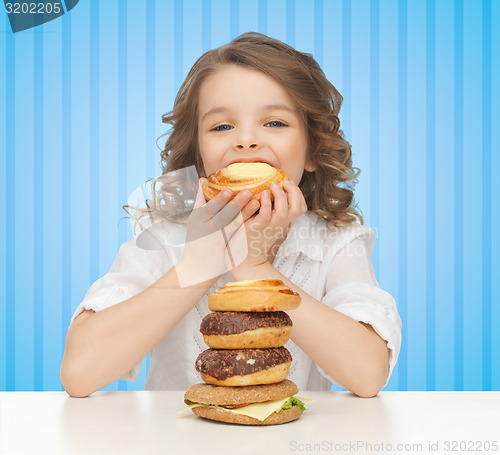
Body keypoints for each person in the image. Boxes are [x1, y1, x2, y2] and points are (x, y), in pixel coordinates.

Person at [60, 32, 402, 398]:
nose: (246, 140)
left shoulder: (336, 242)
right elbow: (79, 373)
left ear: (311, 152)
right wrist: (197, 265)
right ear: (199, 157)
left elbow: (368, 375)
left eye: (275, 123)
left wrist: (255, 269)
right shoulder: (164, 239)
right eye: (222, 126)